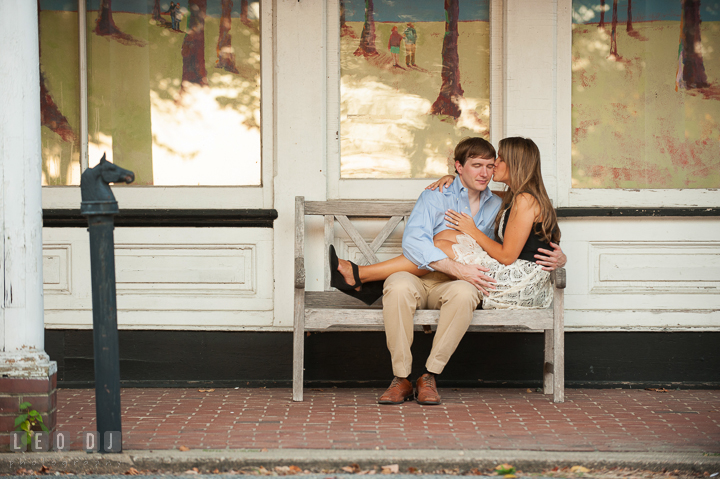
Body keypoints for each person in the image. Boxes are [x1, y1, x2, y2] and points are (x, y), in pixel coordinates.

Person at [329, 137, 566, 406]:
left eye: (493, 163)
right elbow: (414, 242)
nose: (487, 171)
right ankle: (401, 377)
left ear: (512, 164)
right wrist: (453, 180)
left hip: (474, 279)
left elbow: (523, 243)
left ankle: (428, 374)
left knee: (454, 263)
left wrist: (560, 256)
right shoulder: (440, 194)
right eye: (477, 165)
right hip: (421, 275)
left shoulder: (503, 200)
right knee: (402, 282)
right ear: (459, 166)